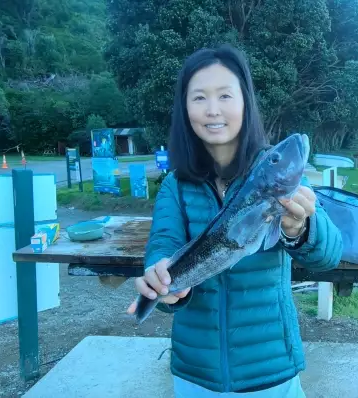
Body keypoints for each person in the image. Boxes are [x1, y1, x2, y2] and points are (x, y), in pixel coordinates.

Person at [126, 44, 344, 397]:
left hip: (272, 368)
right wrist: (162, 277)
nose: (213, 110)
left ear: (245, 102)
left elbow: (329, 256)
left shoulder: (279, 182)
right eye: (199, 98)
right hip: (196, 374)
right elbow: (163, 244)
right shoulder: (175, 185)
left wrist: (301, 229)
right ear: (185, 108)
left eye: (225, 95)